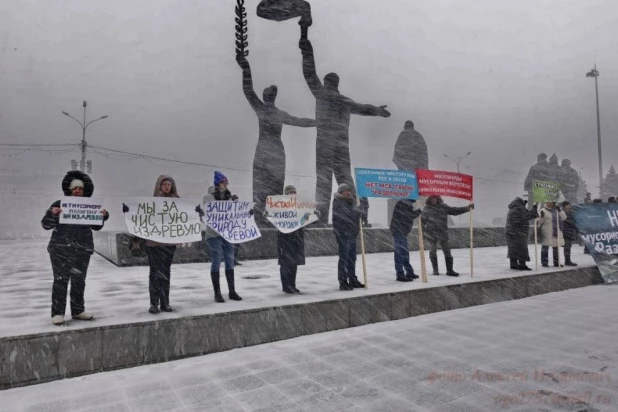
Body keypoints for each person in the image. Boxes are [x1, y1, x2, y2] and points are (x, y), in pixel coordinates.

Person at [299, 34, 390, 225]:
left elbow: (309, 73)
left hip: (325, 143)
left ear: (326, 83)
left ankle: (321, 218)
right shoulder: (345, 101)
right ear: (337, 84)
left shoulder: (322, 94)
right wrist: (378, 111)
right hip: (341, 145)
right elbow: (364, 108)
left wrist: (306, 49)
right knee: (345, 179)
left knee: (323, 180)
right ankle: (356, 216)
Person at [236, 55, 316, 226]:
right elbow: (301, 121)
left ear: (267, 97)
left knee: (261, 186)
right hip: (275, 151)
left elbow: (248, 90)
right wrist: (319, 122)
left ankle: (262, 217)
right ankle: (269, 217)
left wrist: (246, 69)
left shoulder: (262, 109)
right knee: (273, 186)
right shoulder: (278, 114)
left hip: (266, 149)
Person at [41, 171, 109, 325]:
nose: (78, 191)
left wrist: (103, 216)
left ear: (84, 190)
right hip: (60, 248)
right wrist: (52, 214)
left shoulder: (90, 206)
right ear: (69, 190)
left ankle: (78, 310)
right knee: (60, 280)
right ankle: (58, 313)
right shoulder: (59, 204)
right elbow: (45, 224)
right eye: (75, 188)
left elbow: (96, 226)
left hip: (82, 249)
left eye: (80, 188)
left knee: (79, 280)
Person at [203, 171, 243, 303]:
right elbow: (206, 216)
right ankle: (217, 292)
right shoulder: (208, 197)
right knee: (216, 260)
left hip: (227, 233)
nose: (226, 184)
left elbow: (234, 214)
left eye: (226, 182)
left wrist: (243, 209)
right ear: (217, 183)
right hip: (214, 234)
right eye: (223, 182)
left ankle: (232, 291)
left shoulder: (229, 196)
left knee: (229, 260)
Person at [143, 175, 179, 314]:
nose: (167, 187)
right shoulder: (151, 202)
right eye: (164, 184)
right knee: (154, 272)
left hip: (169, 243)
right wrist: (129, 210)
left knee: (165, 272)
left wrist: (195, 212)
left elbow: (186, 217)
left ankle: (165, 302)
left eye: (169, 185)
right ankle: (154, 303)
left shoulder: (178, 202)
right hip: (153, 243)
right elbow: (141, 215)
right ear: (159, 185)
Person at [272, 185, 312, 293]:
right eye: (290, 192)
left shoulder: (299, 206)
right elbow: (272, 217)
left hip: (297, 237)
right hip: (285, 238)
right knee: (286, 263)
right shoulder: (280, 206)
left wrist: (313, 216)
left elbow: (305, 219)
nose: (293, 194)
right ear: (286, 194)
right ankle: (286, 285)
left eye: (294, 192)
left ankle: (292, 284)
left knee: (294, 262)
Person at [422, 195, 474, 277]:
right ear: (429, 199)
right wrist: (422, 234)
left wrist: (468, 208)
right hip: (431, 234)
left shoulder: (443, 207)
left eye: (434, 198)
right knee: (432, 251)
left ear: (437, 199)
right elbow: (422, 223)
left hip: (442, 233)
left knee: (447, 252)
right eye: (431, 199)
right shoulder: (426, 209)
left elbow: (455, 211)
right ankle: (435, 270)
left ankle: (450, 270)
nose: (433, 200)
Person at [332, 184, 366, 290]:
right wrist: (356, 211)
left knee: (352, 259)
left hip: (352, 234)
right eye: (347, 190)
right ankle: (343, 281)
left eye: (349, 190)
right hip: (344, 234)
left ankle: (352, 279)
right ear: (341, 192)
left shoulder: (350, 202)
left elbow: (353, 216)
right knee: (344, 259)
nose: (349, 192)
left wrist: (361, 212)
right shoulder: (338, 202)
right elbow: (346, 216)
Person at [389, 199, 421, 281]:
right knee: (400, 253)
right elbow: (407, 215)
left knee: (404, 253)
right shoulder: (403, 203)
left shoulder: (407, 203)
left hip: (402, 231)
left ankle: (409, 272)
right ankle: (400, 274)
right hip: (399, 230)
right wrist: (417, 212)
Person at [505, 198, 538, 271]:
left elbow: (524, 215)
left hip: (511, 232)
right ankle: (522, 265)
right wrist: (534, 209)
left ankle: (513, 264)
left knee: (513, 249)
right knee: (522, 248)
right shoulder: (519, 209)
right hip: (518, 232)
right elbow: (527, 216)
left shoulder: (513, 208)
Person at [538, 202, 567, 267]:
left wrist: (560, 211)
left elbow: (564, 218)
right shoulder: (543, 210)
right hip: (546, 231)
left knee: (556, 248)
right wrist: (541, 216)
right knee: (545, 247)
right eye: (548, 203)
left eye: (551, 203)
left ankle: (556, 262)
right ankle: (544, 262)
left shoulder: (557, 210)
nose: (549, 204)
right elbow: (540, 221)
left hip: (556, 231)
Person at [561, 201, 578, 266]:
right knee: (567, 246)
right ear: (564, 206)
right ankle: (567, 261)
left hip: (570, 231)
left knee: (568, 246)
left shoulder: (571, 213)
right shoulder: (562, 213)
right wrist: (572, 224)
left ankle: (568, 260)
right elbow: (566, 221)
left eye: (569, 205)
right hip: (565, 231)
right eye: (567, 205)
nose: (568, 206)